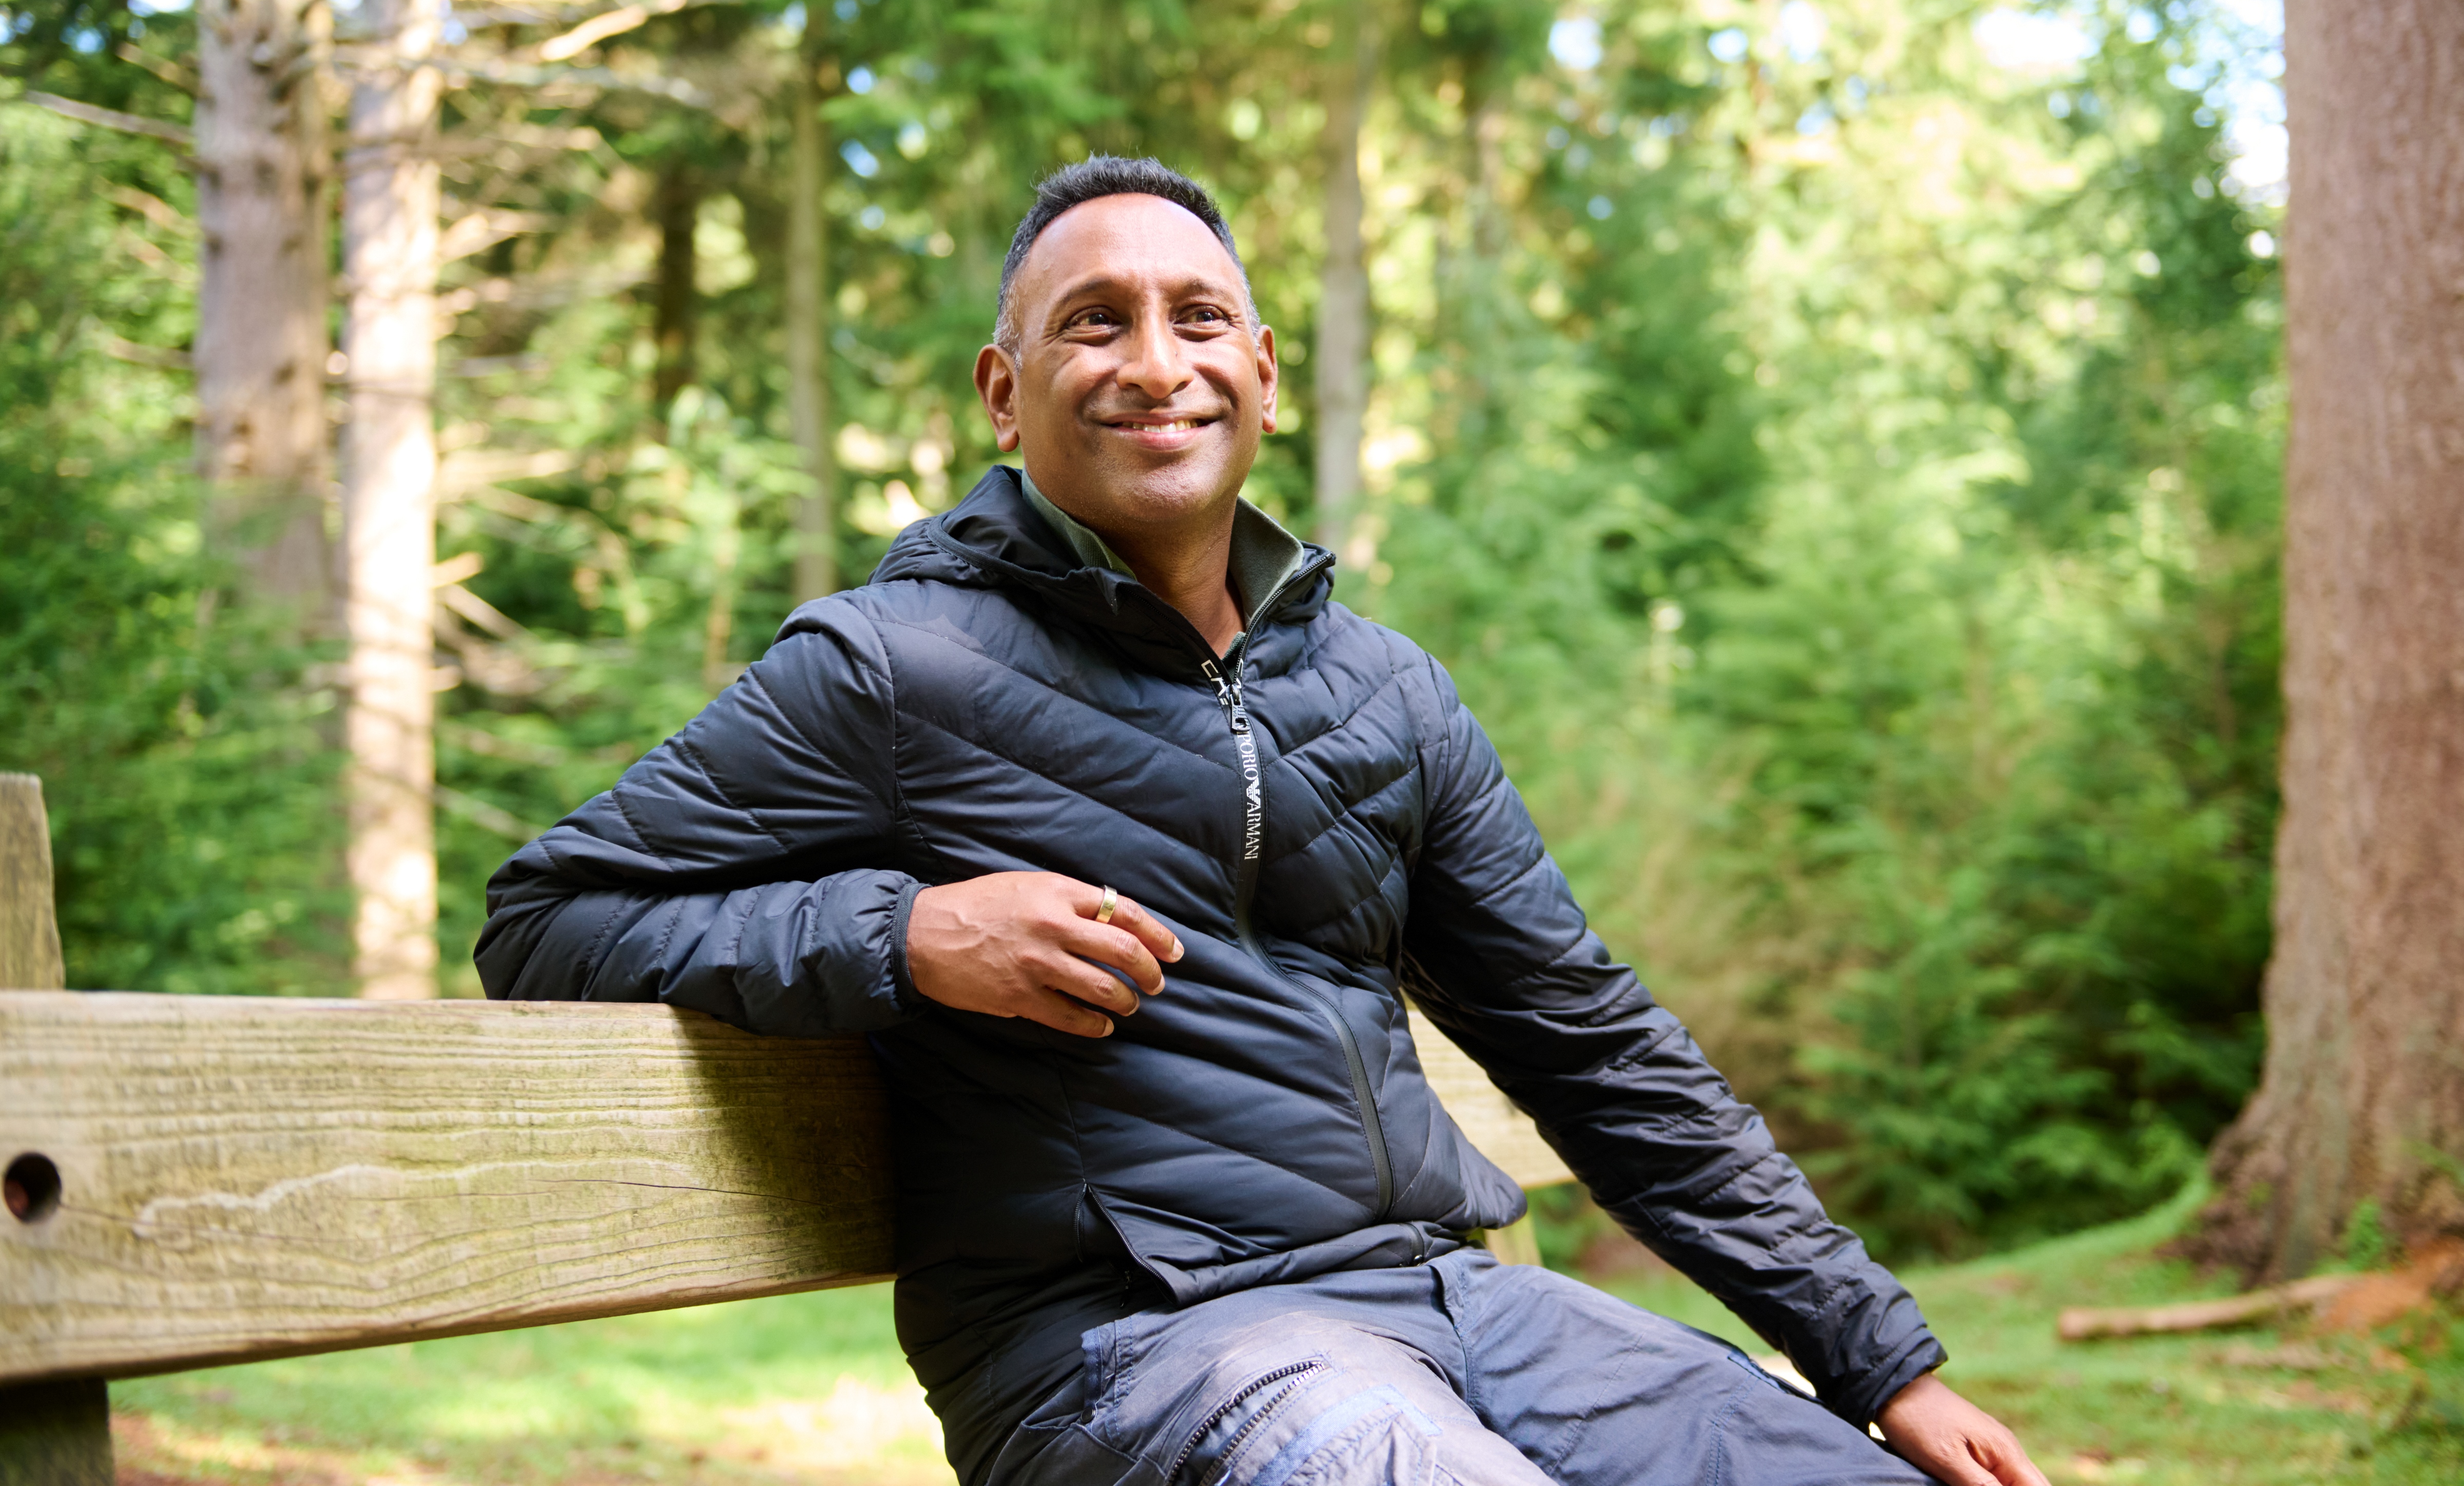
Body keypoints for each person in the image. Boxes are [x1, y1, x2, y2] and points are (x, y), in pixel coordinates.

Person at [478, 157, 2050, 1486]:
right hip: (1132, 1347)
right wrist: (906, 933)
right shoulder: (892, 670)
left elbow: (1590, 1040)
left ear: (1266, 375)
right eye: (1095, 322)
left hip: (1454, 1306)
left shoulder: (1384, 693)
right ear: (1004, 395)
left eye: (1198, 317)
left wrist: (1881, 1364)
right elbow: (547, 918)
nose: (1155, 362)